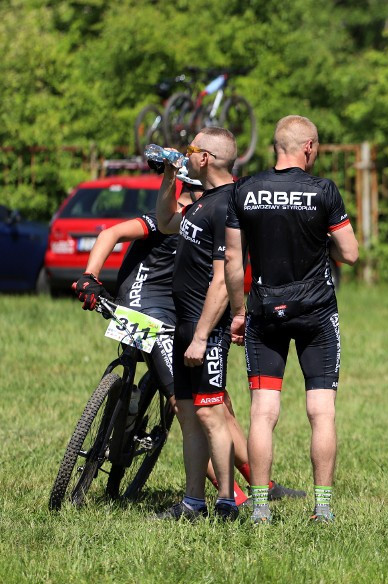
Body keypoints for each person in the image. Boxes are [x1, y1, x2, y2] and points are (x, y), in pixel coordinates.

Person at [72, 180, 305, 508]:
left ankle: (260, 483)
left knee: (218, 403)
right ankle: (236, 497)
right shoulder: (169, 218)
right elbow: (110, 233)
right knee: (191, 409)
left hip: (176, 316)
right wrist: (90, 276)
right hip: (143, 313)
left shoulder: (210, 223)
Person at [224, 115, 359, 525]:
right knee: (321, 411)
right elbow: (350, 254)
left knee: (263, 412)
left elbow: (233, 259)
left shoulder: (244, 190)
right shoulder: (323, 191)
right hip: (316, 313)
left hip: (264, 312)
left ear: (275, 147)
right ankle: (322, 507)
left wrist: (238, 312)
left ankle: (260, 507)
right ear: (309, 147)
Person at [150, 127, 240, 521]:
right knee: (188, 413)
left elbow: (223, 278)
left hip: (208, 328)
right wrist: (170, 175)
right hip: (184, 323)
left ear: (204, 158)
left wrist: (203, 335)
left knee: (210, 412)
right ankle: (193, 502)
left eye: (189, 151)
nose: (185, 155)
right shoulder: (202, 200)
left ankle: (226, 501)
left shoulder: (228, 205)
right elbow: (166, 220)